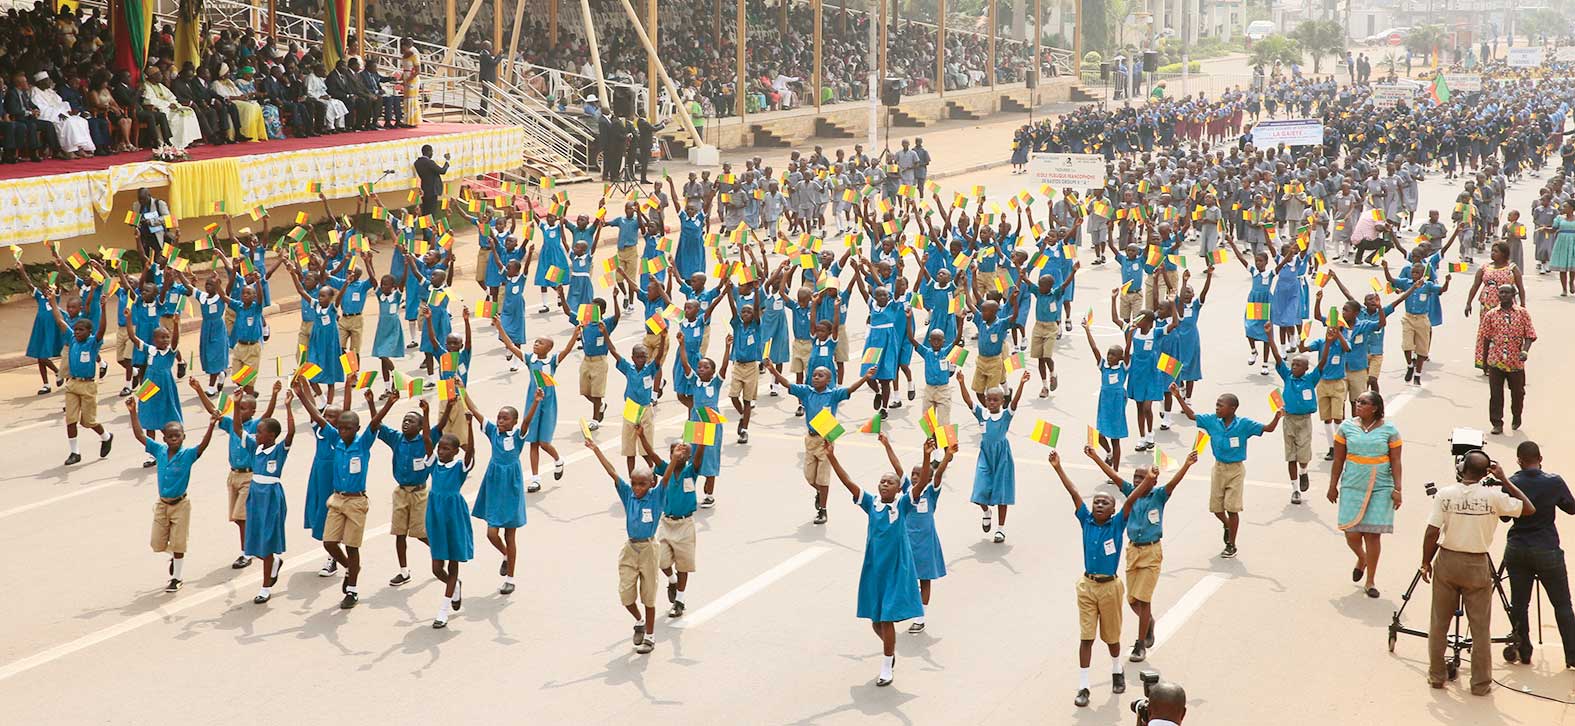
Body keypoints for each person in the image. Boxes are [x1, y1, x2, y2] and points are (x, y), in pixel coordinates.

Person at [1050, 448, 1157, 708]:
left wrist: (1148, 482)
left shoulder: (1117, 524)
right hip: (1088, 586)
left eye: (1104, 503)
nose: (1098, 504)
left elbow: (1130, 500)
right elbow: (1074, 493)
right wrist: (1058, 467)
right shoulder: (1086, 521)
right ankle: (1084, 686)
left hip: (1111, 587)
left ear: (1113, 511)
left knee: (1111, 637)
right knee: (1086, 637)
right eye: (1096, 501)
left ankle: (1116, 669)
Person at [1422, 451, 1534, 694]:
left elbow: (1432, 532)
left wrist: (1425, 563)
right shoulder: (1494, 497)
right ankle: (1480, 684)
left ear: (1461, 469)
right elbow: (1528, 508)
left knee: (1439, 623)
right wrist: (1504, 480)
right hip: (1477, 564)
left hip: (1447, 561)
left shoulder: (1445, 494)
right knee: (1480, 627)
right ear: (1486, 473)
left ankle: (1437, 676)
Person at [823, 439, 926, 687]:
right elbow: (848, 482)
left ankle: (886, 663)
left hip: (895, 568)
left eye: (889, 482)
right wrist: (831, 457)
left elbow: (921, 484)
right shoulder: (872, 503)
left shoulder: (902, 505)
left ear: (897, 488)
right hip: (874, 568)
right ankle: (890, 650)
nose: (884, 484)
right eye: (882, 481)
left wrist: (925, 454)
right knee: (875, 620)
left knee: (887, 617)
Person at [297, 386, 397, 609]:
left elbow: (374, 424)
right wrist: (300, 394)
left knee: (352, 547)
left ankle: (352, 590)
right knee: (329, 542)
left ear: (357, 429)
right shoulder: (336, 439)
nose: (343, 431)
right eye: (340, 428)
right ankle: (350, 568)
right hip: (337, 499)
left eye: (348, 428)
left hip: (356, 501)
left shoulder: (363, 443)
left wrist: (388, 403)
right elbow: (317, 417)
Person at [1169, 384, 1281, 558]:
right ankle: (1227, 524)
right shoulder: (1212, 421)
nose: (1217, 408)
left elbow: (1268, 428)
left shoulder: (1244, 424)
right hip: (1219, 468)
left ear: (1233, 408)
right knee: (1216, 508)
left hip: (1236, 470)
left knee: (1232, 508)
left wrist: (1277, 416)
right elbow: (1191, 416)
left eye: (1221, 405)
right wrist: (1177, 396)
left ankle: (1231, 544)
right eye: (1216, 405)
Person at [585, 431, 666, 655]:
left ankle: (649, 636)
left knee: (648, 595)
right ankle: (638, 620)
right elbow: (612, 472)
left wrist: (676, 459)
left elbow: (667, 478)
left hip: (649, 549)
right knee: (626, 595)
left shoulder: (656, 496)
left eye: (642, 484)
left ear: (651, 483)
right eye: (634, 484)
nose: (637, 488)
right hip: (631, 548)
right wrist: (596, 450)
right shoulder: (628, 494)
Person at [127, 397, 219, 593]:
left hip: (180, 505)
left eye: (177, 435)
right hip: (162, 504)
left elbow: (203, 445)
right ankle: (175, 556)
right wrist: (133, 412)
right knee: (157, 543)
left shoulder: (187, 455)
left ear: (184, 437)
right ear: (164, 439)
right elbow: (139, 435)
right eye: (170, 436)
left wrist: (211, 425)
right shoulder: (159, 450)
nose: (174, 439)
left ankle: (177, 577)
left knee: (179, 541)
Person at [1502, 441, 1575, 668]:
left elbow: (1504, 517)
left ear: (1519, 460)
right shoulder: (1553, 481)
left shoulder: (1512, 482)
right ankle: (1572, 655)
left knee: (1519, 604)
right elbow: (1571, 508)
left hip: (1518, 548)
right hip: (1547, 550)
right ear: (1540, 458)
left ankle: (1523, 650)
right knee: (1562, 604)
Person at [1327, 391, 1403, 598]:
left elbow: (1396, 461)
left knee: (1372, 533)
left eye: (1364, 402)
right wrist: (1332, 485)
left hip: (1381, 486)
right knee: (1351, 532)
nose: (1358, 405)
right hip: (1352, 482)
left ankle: (1370, 581)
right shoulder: (1346, 427)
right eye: (1358, 401)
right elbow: (1338, 460)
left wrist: (1398, 489)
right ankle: (1362, 558)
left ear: (1375, 408)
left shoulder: (1389, 430)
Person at [1476, 284, 1535, 434]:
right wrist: (1483, 361)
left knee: (1518, 393)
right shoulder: (1491, 315)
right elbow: (1486, 338)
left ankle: (1517, 416)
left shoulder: (1522, 314)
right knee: (1496, 395)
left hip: (1515, 362)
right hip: (1496, 360)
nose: (1503, 295)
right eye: (1501, 292)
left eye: (1506, 293)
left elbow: (1530, 335)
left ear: (1513, 294)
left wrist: (1525, 351)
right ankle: (1497, 423)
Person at [414, 145, 449, 217]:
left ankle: (425, 227)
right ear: (429, 152)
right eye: (432, 152)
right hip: (433, 190)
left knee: (425, 211)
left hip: (424, 189)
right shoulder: (429, 162)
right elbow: (442, 171)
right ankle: (430, 227)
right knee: (431, 212)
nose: (432, 154)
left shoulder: (417, 163)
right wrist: (447, 161)